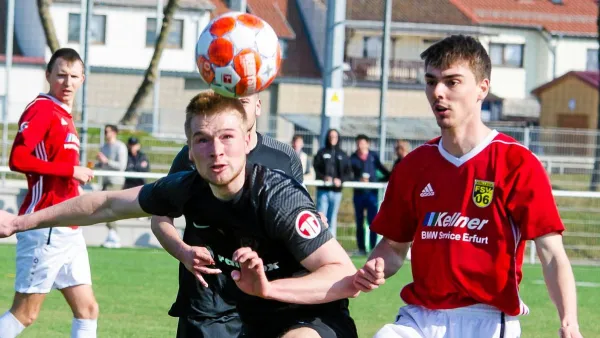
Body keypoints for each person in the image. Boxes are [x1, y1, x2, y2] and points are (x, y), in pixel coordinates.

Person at [0, 91, 360, 338]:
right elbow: (106, 203)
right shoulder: (186, 187)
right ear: (189, 150)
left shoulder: (277, 196)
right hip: (239, 310)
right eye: (203, 139)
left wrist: (268, 288)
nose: (216, 151)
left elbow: (344, 274)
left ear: (248, 141)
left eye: (227, 137)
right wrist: (19, 222)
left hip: (304, 314)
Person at [353, 35, 582, 338]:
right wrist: (376, 266)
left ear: (482, 89)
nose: (438, 92)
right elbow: (394, 247)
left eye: (452, 82)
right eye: (431, 81)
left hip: (486, 319)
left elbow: (551, 253)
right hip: (420, 316)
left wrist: (569, 321)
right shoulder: (413, 166)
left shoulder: (516, 162)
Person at [152, 92, 307, 338]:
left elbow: (298, 219)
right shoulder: (195, 153)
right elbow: (160, 216)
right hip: (209, 296)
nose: (233, 107)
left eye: (243, 102)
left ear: (258, 106)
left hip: (268, 297)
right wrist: (182, 252)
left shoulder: (284, 157)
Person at [0, 48, 98, 338]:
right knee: (25, 314)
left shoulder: (63, 115)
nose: (67, 83)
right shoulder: (42, 109)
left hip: (68, 228)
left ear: (82, 79)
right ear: (48, 76)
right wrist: (70, 171)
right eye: (61, 75)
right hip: (46, 226)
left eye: (74, 76)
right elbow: (18, 159)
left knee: (88, 310)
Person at [349, 134, 390, 255]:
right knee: (359, 221)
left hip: (372, 194)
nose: (360, 145)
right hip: (359, 194)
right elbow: (348, 175)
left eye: (362, 143)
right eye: (358, 143)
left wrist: (377, 181)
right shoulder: (353, 158)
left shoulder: (373, 156)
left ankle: (373, 248)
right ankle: (361, 248)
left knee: (373, 221)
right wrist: (358, 181)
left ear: (367, 144)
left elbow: (384, 171)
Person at [312, 129, 352, 239]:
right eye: (330, 136)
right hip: (323, 191)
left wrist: (340, 180)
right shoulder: (321, 152)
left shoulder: (343, 155)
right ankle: (319, 242)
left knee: (332, 218)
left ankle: (331, 243)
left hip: (336, 192)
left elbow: (348, 173)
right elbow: (316, 168)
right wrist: (324, 177)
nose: (332, 139)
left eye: (334, 136)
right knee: (321, 217)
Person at [96, 124, 128, 248]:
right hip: (105, 181)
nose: (105, 134)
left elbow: (121, 166)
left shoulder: (120, 147)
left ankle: (114, 235)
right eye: (104, 131)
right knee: (104, 208)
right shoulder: (103, 147)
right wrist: (98, 164)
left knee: (108, 208)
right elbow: (103, 164)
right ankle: (112, 234)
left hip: (115, 182)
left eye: (107, 131)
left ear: (114, 132)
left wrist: (106, 161)